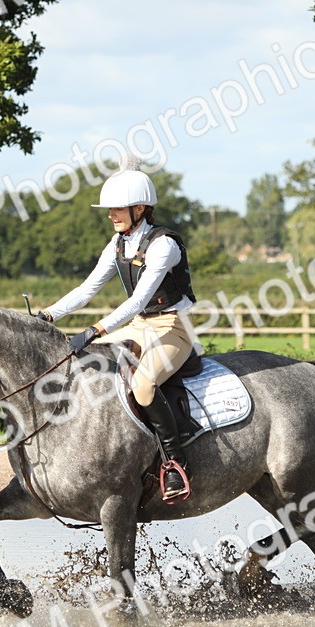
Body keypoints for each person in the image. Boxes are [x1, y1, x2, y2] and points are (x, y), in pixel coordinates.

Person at [36, 165, 197, 503]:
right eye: (109, 209)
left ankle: (175, 462)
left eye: (117, 209)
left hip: (173, 328)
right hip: (140, 325)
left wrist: (96, 329)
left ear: (140, 209)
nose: (110, 215)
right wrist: (49, 313)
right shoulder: (118, 244)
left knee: (143, 385)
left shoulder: (163, 245)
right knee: (80, 364)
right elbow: (87, 289)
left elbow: (139, 299)